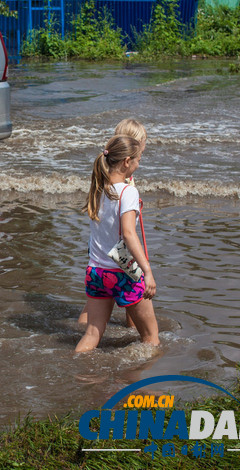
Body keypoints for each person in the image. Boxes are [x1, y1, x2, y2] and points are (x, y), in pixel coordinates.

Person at [75, 135, 159, 353]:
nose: (139, 164)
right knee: (151, 338)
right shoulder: (128, 191)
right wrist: (147, 271)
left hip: (95, 271)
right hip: (123, 271)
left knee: (92, 334)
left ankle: (75, 372)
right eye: (139, 159)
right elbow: (129, 235)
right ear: (127, 161)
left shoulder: (98, 188)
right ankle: (137, 383)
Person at [79, 119, 148, 328]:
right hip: (119, 251)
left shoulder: (105, 176)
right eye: (143, 146)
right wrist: (147, 267)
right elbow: (128, 230)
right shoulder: (126, 184)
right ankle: (131, 329)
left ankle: (82, 330)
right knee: (133, 293)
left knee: (98, 302)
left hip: (99, 251)